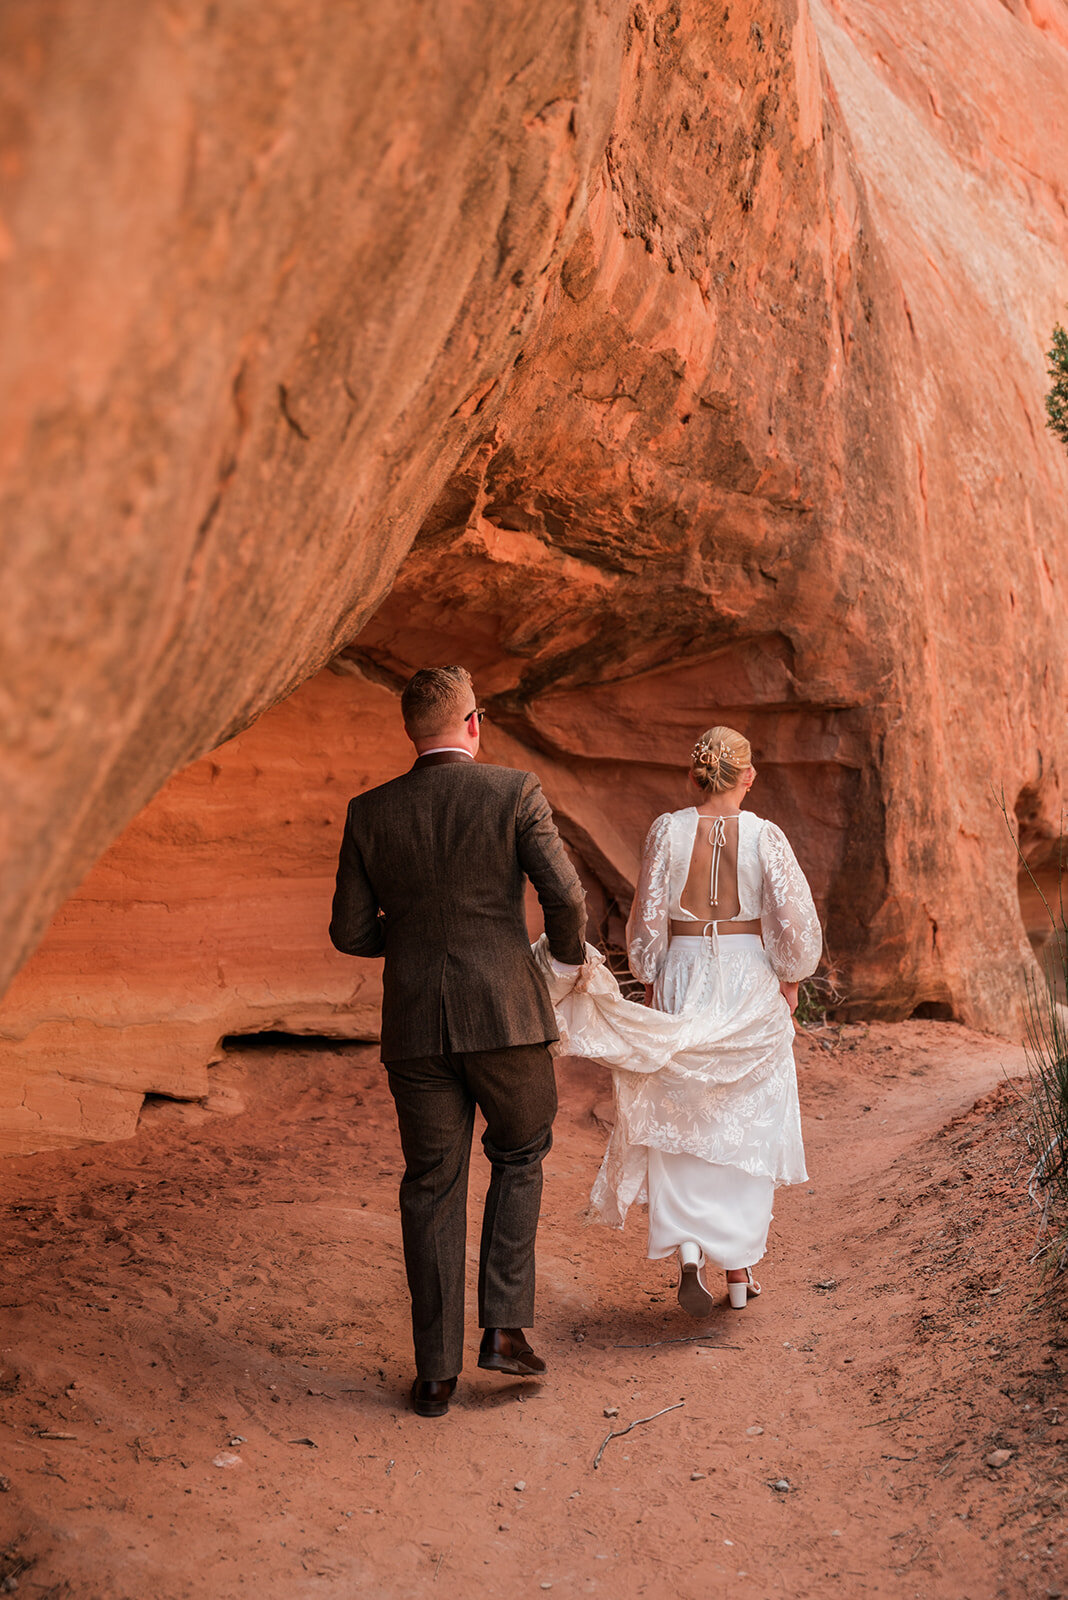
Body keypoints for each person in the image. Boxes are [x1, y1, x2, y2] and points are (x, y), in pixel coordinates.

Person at [329, 666, 587, 1417]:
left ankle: (435, 1374)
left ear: (413, 732)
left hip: (415, 1026)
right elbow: (565, 895)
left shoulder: (369, 810)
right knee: (521, 1150)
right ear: (473, 723)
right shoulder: (514, 792)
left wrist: (414, 943)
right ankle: (504, 1330)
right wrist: (563, 958)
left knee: (430, 1186)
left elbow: (349, 930)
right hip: (506, 1015)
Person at [532, 724, 821, 1316]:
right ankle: (739, 1271)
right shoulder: (767, 837)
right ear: (749, 777)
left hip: (685, 969)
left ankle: (689, 1249)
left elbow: (646, 921)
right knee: (746, 1115)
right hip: (745, 972)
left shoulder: (668, 830)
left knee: (681, 1107)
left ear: (693, 776)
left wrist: (651, 973)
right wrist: (789, 978)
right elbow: (795, 926)